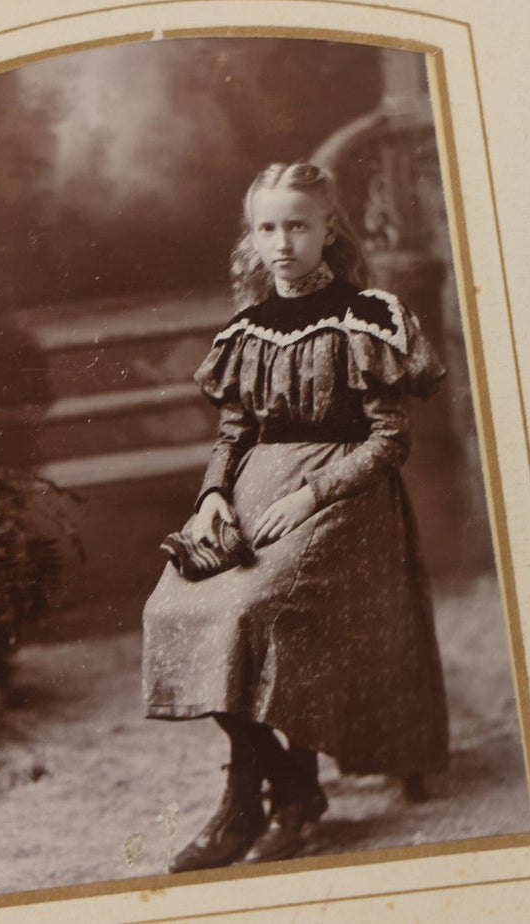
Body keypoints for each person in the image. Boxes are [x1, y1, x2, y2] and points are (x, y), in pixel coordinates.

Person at [141, 162, 450, 873]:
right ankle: (286, 787)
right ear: (252, 235)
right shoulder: (247, 329)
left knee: (256, 610)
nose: (281, 243)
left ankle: (245, 803)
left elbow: (389, 440)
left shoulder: (367, 316)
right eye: (266, 228)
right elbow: (232, 432)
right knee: (174, 609)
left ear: (327, 228)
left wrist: (311, 496)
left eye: (297, 226)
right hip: (251, 492)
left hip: (344, 502)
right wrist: (213, 495)